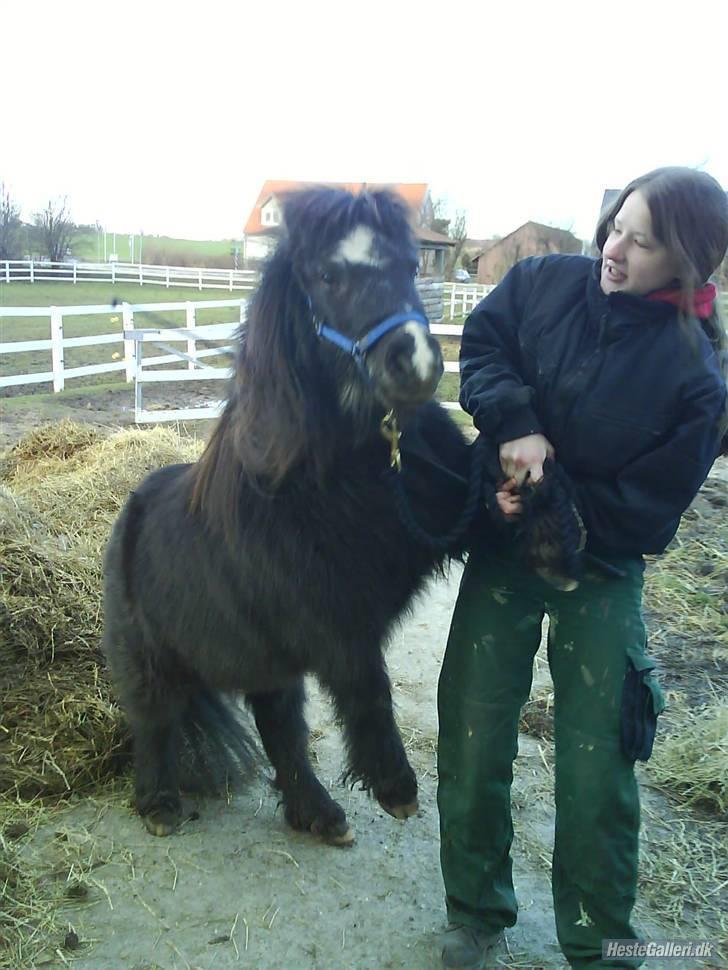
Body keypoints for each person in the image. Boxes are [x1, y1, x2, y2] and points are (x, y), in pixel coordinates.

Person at [437, 167, 728, 970]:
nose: (616, 250)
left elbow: (647, 510)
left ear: (689, 262)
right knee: (471, 731)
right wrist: (514, 434)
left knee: (599, 763)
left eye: (644, 241)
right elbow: (486, 351)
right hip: (503, 556)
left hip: (599, 569)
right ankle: (475, 912)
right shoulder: (540, 283)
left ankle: (600, 942)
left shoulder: (698, 376)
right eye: (616, 227)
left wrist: (542, 502)